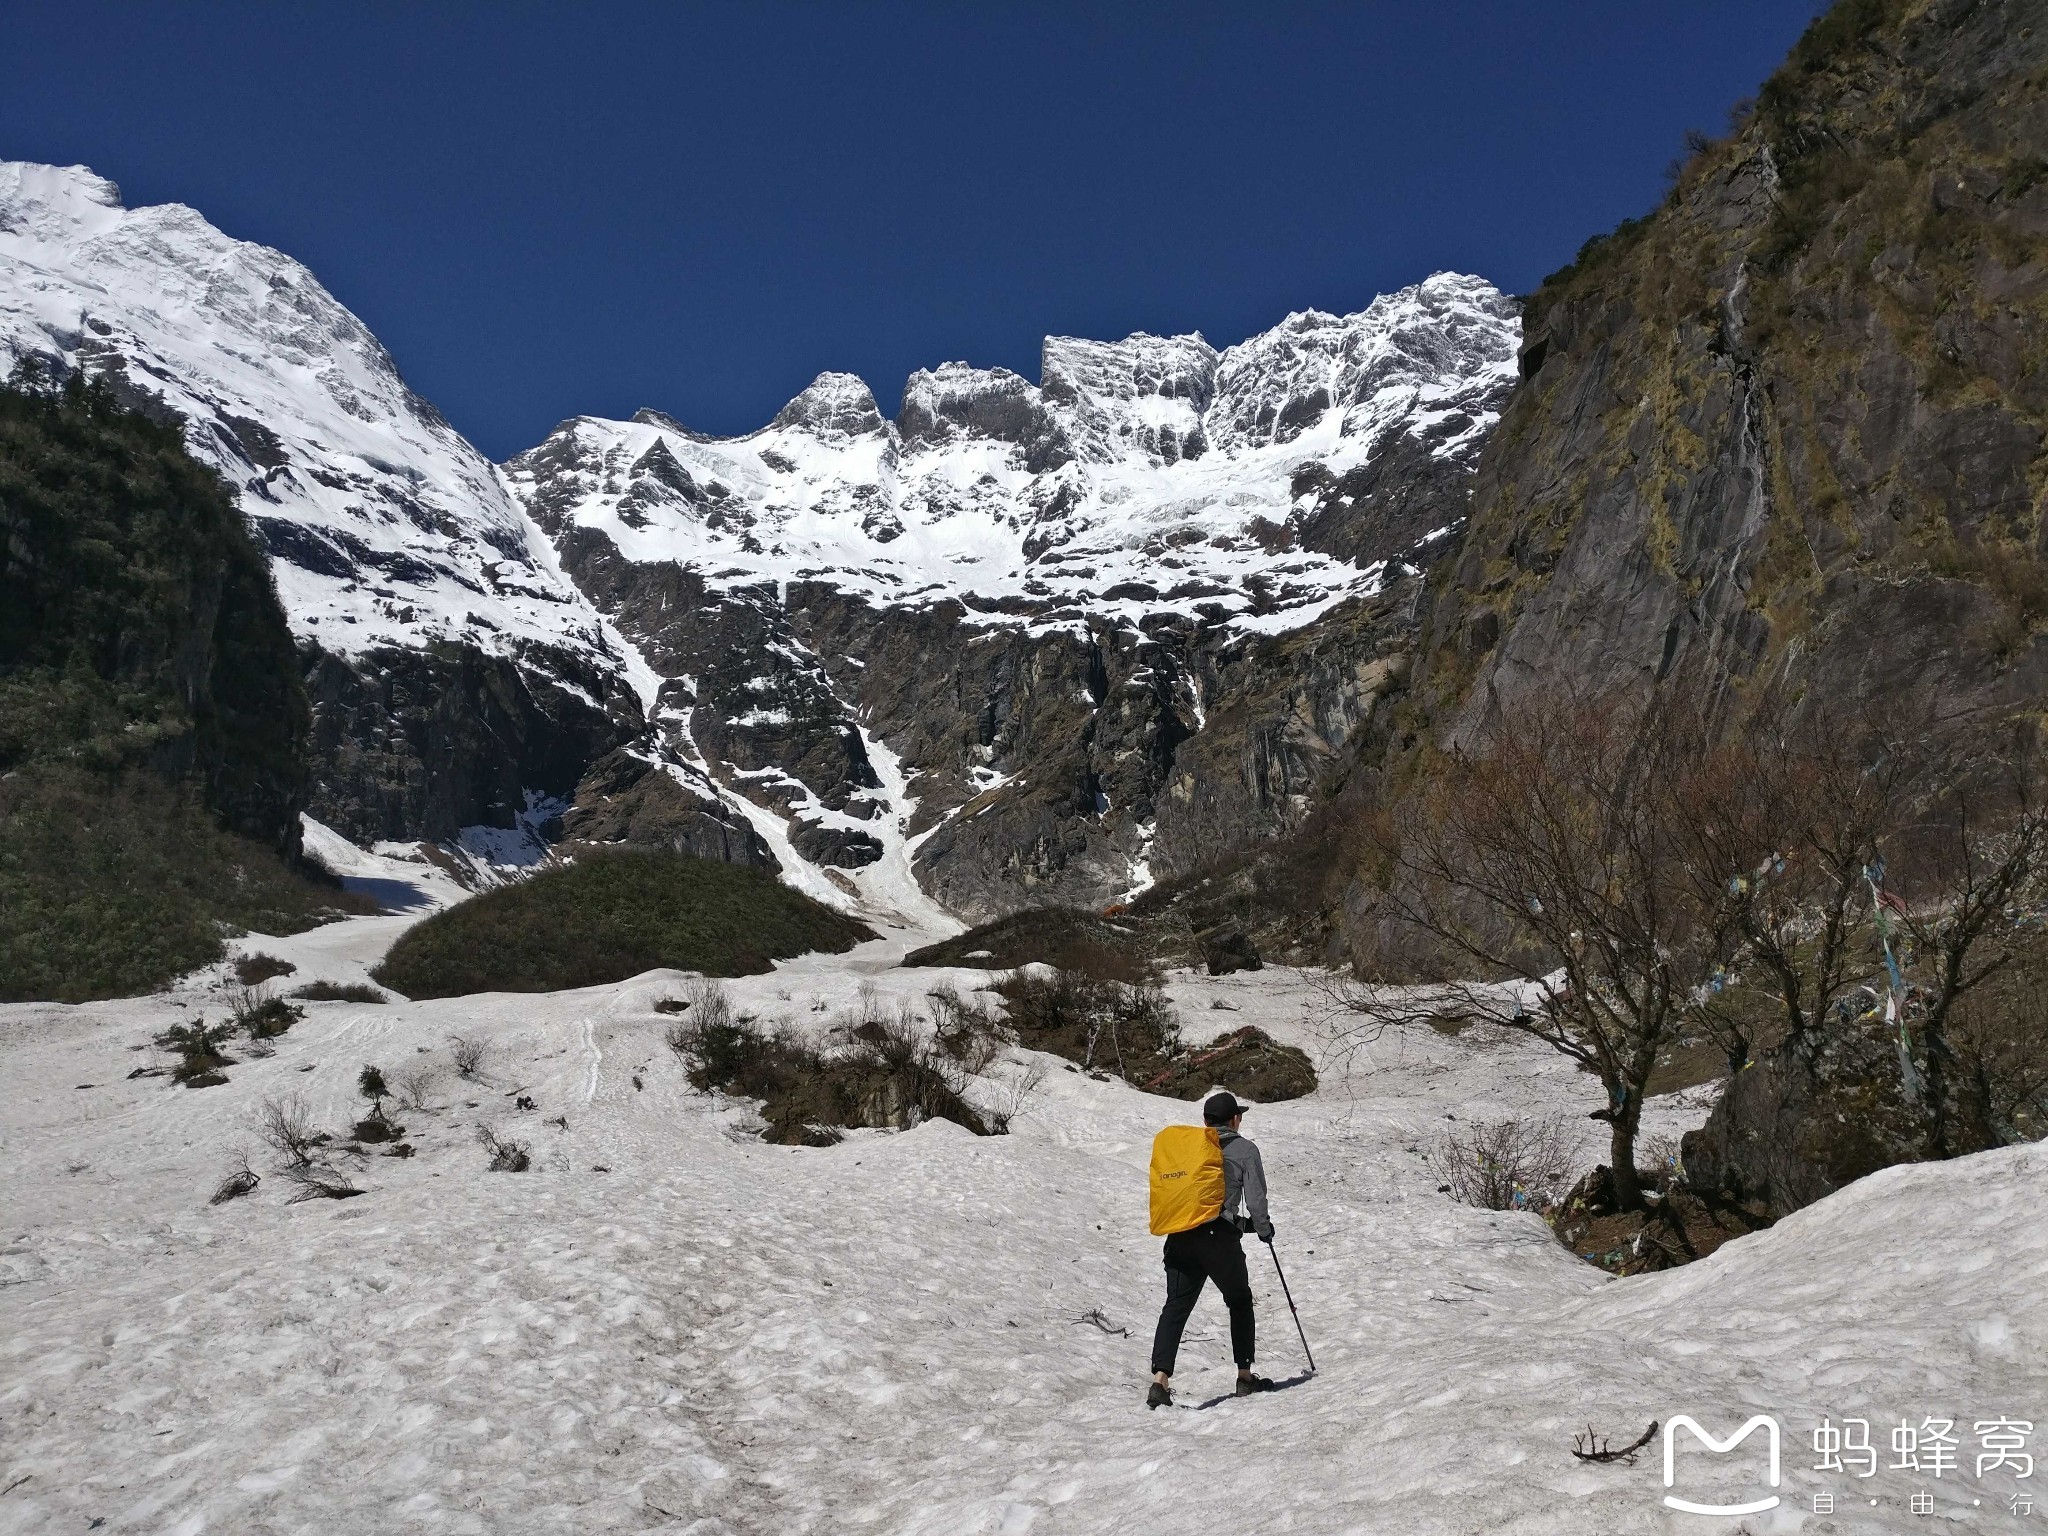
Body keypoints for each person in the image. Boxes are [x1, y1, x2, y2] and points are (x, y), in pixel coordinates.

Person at [1147, 1091, 1276, 1407]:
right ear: (1235, 1119)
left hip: (1180, 1234)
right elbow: (1256, 1200)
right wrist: (1263, 1230)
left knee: (1176, 1305)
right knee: (1239, 1301)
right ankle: (1244, 1378)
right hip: (1219, 1238)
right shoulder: (1244, 1150)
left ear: (1205, 1121)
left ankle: (1160, 1382)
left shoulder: (1191, 1149)